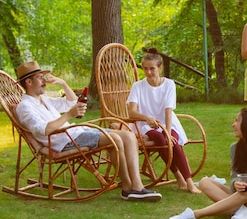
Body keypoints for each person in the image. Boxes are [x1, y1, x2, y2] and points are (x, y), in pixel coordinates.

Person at [14, 61, 161, 201]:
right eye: (40, 78)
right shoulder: (25, 106)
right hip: (64, 141)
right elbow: (44, 130)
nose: (44, 81)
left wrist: (63, 83)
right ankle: (128, 188)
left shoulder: (44, 100)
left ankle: (137, 186)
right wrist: (69, 115)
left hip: (76, 133)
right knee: (114, 139)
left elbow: (71, 102)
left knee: (128, 136)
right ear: (29, 82)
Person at [169, 108, 247, 219]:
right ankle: (241, 210)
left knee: (245, 192)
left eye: (237, 121)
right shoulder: (235, 148)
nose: (233, 125)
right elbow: (234, 177)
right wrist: (235, 184)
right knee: (205, 182)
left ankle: (195, 215)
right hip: (243, 195)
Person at [127, 48, 200, 194]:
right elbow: (131, 112)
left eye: (152, 69)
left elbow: (168, 110)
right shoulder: (138, 86)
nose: (148, 72)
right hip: (144, 126)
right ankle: (177, 175)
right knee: (160, 139)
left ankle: (189, 181)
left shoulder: (169, 84)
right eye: (145, 69)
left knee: (172, 141)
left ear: (160, 68)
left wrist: (167, 130)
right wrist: (146, 118)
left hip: (167, 122)